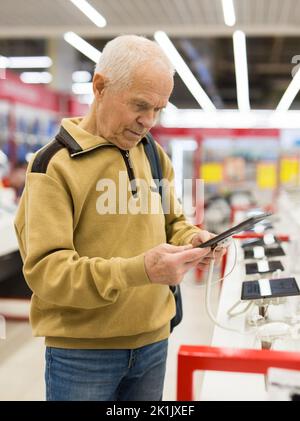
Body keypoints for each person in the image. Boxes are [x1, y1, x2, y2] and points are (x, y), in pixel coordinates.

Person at [14, 35, 224, 401]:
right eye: (140, 105)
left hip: (154, 342)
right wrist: (141, 270)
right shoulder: (52, 168)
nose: (149, 121)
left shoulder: (152, 153)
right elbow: (48, 273)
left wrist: (192, 239)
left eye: (159, 108)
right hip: (82, 355)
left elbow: (172, 221)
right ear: (100, 87)